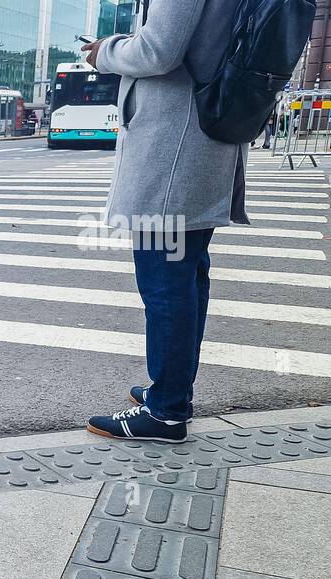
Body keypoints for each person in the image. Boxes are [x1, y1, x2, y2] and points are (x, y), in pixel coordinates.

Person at [82, 0, 247, 443]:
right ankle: (172, 391)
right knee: (187, 274)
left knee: (165, 280)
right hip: (201, 139)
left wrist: (105, 51)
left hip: (176, 148)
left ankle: (166, 412)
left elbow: (158, 51)